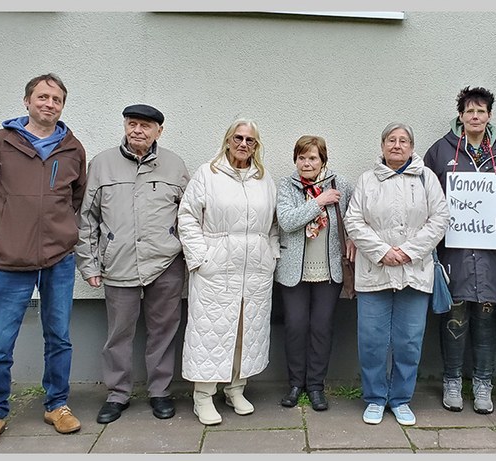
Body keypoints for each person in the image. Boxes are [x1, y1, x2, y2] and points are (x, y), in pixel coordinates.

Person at [0, 73, 87, 450]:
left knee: (59, 337)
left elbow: (75, 198)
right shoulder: (0, 142)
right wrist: (7, 232)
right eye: (42, 97)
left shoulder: (72, 148)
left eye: (56, 99)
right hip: (11, 261)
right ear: (27, 101)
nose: (49, 104)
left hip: (58, 259)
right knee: (0, 341)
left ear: (62, 106)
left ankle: (57, 404)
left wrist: (62, 232)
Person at [75, 104, 190, 424]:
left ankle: (160, 391)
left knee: (163, 330)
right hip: (119, 262)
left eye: (145, 126)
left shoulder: (174, 165)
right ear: (125, 126)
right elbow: (87, 219)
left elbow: (190, 215)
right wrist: (89, 265)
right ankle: (117, 394)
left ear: (159, 131)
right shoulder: (102, 164)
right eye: (132, 124)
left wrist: (188, 256)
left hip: (165, 263)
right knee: (119, 332)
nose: (137, 130)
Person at [423, 86, 496, 414]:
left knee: (486, 316)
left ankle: (483, 382)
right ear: (461, 116)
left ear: (489, 116)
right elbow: (425, 197)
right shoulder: (440, 152)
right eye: (470, 111)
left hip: (493, 255)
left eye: (481, 111)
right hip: (453, 252)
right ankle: (452, 380)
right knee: (454, 315)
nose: (475, 116)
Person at [344, 122, 449, 426]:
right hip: (374, 272)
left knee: (409, 341)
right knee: (371, 341)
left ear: (412, 147)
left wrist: (407, 252)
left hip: (414, 272)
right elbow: (353, 221)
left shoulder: (426, 178)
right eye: (391, 140)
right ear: (382, 146)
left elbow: (440, 219)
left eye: (403, 141)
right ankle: (375, 398)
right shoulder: (367, 180)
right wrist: (382, 251)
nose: (397, 145)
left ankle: (401, 399)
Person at [177, 118, 279, 426]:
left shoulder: (264, 179)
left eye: (250, 140)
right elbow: (187, 217)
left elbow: (273, 225)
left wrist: (270, 255)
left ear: (256, 146)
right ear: (227, 140)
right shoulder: (207, 174)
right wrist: (200, 258)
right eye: (238, 138)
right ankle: (203, 396)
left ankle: (236, 388)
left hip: (255, 271)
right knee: (211, 330)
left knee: (245, 331)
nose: (243, 144)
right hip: (215, 269)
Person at [275, 135, 355, 411]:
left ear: (323, 160)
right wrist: (319, 201)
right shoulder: (287, 185)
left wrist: (353, 240)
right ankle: (296, 384)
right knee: (296, 326)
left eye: (312, 158)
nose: (306, 163)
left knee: (322, 327)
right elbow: (287, 221)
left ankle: (316, 386)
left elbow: (353, 219)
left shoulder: (340, 184)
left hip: (329, 271)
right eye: (301, 158)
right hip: (293, 272)